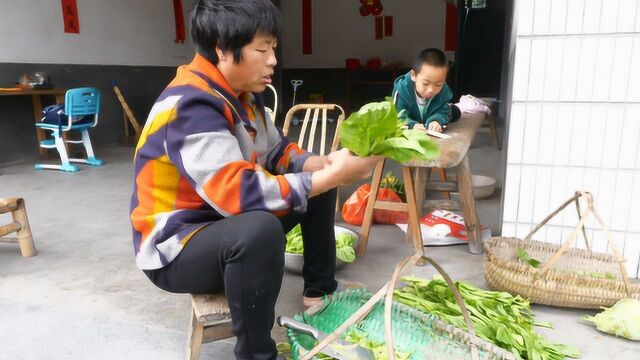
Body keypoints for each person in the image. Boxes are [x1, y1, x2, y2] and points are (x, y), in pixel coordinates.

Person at [129, 1, 379, 359]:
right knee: (259, 230)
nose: (273, 60)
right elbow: (240, 194)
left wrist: (320, 163)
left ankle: (318, 295)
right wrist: (327, 176)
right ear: (221, 49)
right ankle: (257, 354)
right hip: (177, 245)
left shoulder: (243, 95)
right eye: (262, 49)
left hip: (219, 221)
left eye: (273, 48)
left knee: (317, 184)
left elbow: (277, 150)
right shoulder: (190, 104)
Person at [391, 48, 461, 133]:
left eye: (438, 84)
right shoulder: (402, 90)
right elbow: (397, 116)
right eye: (425, 83)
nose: (431, 90)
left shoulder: (444, 90)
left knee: (455, 112)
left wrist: (437, 121)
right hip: (411, 118)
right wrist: (412, 125)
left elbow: (443, 109)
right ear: (413, 75)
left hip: (428, 118)